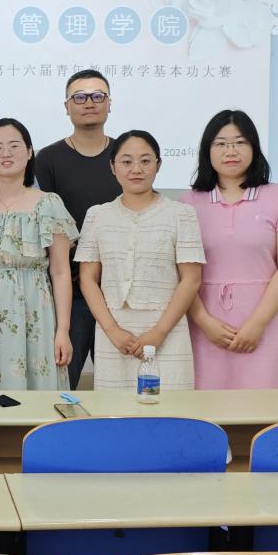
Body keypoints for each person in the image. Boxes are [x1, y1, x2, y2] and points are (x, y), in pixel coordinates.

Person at [184, 109, 278, 390]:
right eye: (221, 143)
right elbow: (182, 273)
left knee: (264, 405)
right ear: (207, 150)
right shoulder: (189, 202)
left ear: (254, 147)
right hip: (205, 325)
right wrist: (204, 321)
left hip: (265, 320)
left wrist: (258, 323)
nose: (231, 151)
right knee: (207, 406)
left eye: (240, 142)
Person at [76, 131, 203, 391]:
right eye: (126, 161)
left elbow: (191, 279)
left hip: (168, 331)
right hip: (115, 334)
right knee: (115, 410)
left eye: (145, 161)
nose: (136, 169)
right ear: (113, 167)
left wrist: (158, 333)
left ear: (158, 164)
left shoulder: (182, 214)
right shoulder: (97, 215)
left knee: (171, 409)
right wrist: (112, 330)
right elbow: (88, 279)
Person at [0, 118, 76, 390]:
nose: (6, 153)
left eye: (14, 146)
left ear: (29, 152)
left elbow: (61, 272)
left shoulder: (48, 203)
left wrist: (63, 330)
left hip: (36, 311)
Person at [36, 69, 122, 389]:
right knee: (61, 385)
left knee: (122, 388)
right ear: (66, 106)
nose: (89, 103)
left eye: (98, 96)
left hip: (119, 292)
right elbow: (43, 224)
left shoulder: (126, 155)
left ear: (109, 103)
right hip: (68, 294)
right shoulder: (47, 159)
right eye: (80, 97)